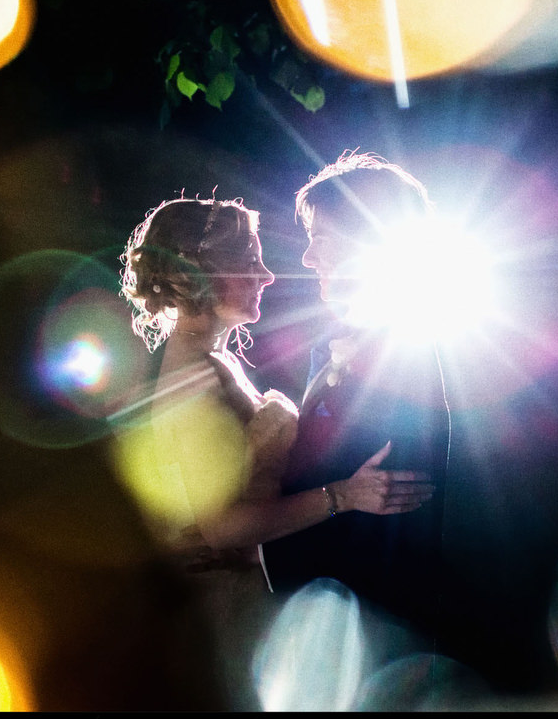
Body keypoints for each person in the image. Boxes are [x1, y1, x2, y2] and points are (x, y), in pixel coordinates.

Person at [111, 195, 434, 707]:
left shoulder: (216, 362)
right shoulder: (189, 379)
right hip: (224, 614)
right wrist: (344, 496)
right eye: (250, 263)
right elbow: (222, 526)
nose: (268, 276)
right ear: (204, 272)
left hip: (257, 594)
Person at [261, 153, 453, 663]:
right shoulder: (333, 341)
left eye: (318, 238)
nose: (306, 258)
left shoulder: (405, 349)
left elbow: (394, 498)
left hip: (370, 630)